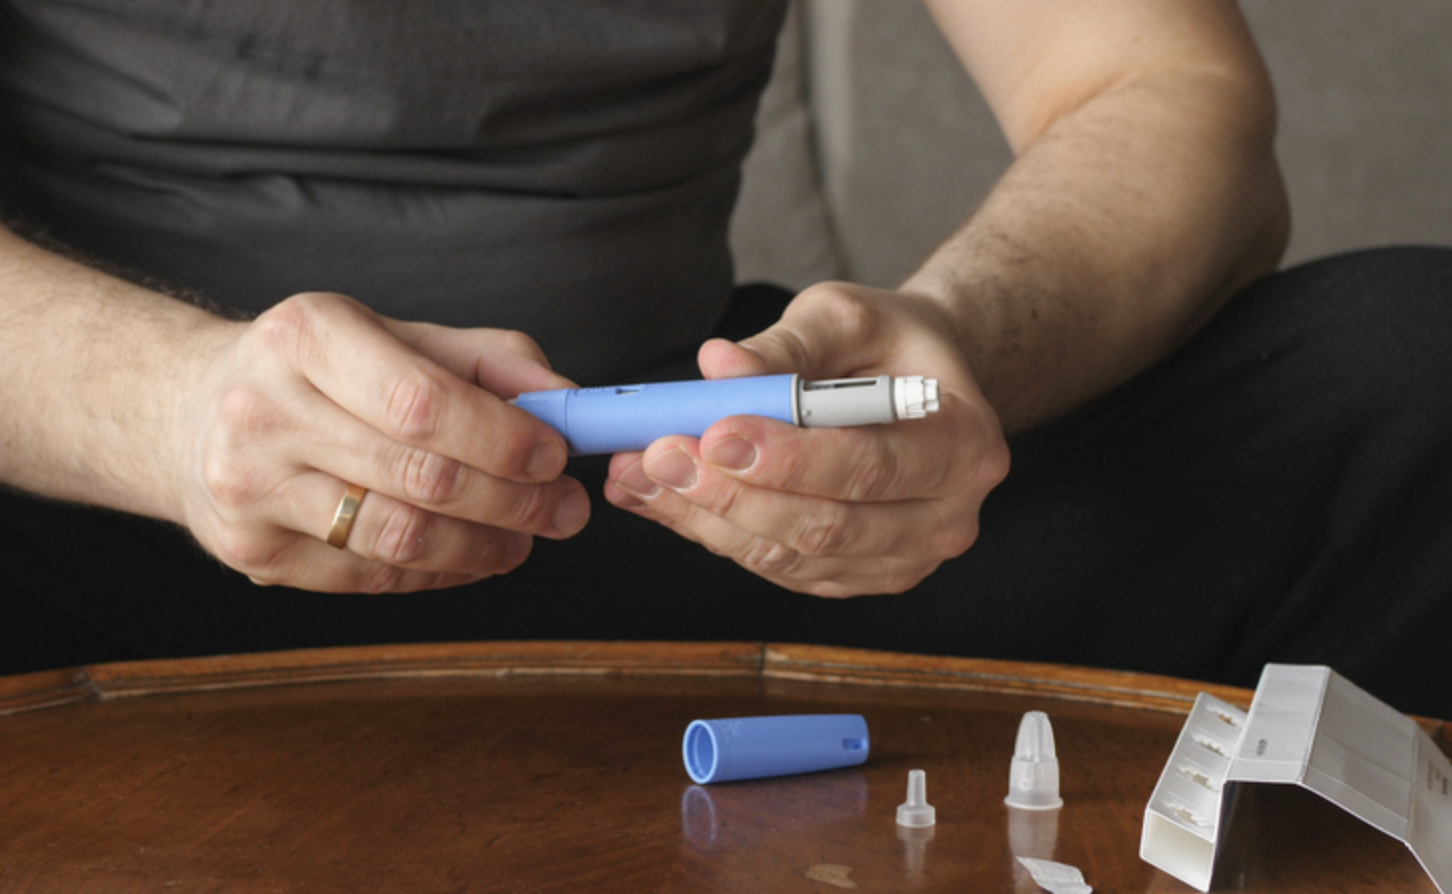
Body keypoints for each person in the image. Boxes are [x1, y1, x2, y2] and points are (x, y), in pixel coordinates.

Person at [2, 1, 1448, 717]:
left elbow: (1164, 88)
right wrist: (171, 406)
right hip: (100, 517)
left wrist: (963, 340)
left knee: (1413, 373)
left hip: (696, 504)